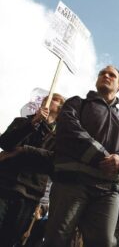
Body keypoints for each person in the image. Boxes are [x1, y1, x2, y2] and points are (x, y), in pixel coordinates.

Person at [43, 65, 119, 247]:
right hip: (73, 182)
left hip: (108, 189)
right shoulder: (78, 103)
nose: (106, 76)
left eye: (112, 75)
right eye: (103, 73)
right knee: (57, 239)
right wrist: (102, 157)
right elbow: (70, 131)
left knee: (105, 242)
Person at [0, 93, 65, 247]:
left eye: (55, 99)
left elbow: (54, 160)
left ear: (61, 109)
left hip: (29, 195)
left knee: (10, 239)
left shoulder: (59, 137)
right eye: (46, 97)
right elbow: (5, 142)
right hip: (4, 186)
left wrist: (23, 150)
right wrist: (33, 122)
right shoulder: (22, 122)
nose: (47, 99)